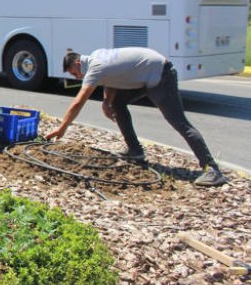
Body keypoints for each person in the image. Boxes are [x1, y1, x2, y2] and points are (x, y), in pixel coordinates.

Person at [45, 48, 228, 187]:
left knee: (179, 123)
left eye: (74, 73)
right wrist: (107, 102)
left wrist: (62, 128)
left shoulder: (95, 67)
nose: (77, 77)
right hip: (146, 74)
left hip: (160, 76)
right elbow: (112, 78)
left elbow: (78, 101)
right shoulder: (96, 55)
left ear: (77, 64)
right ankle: (135, 151)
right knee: (118, 103)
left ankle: (212, 169)